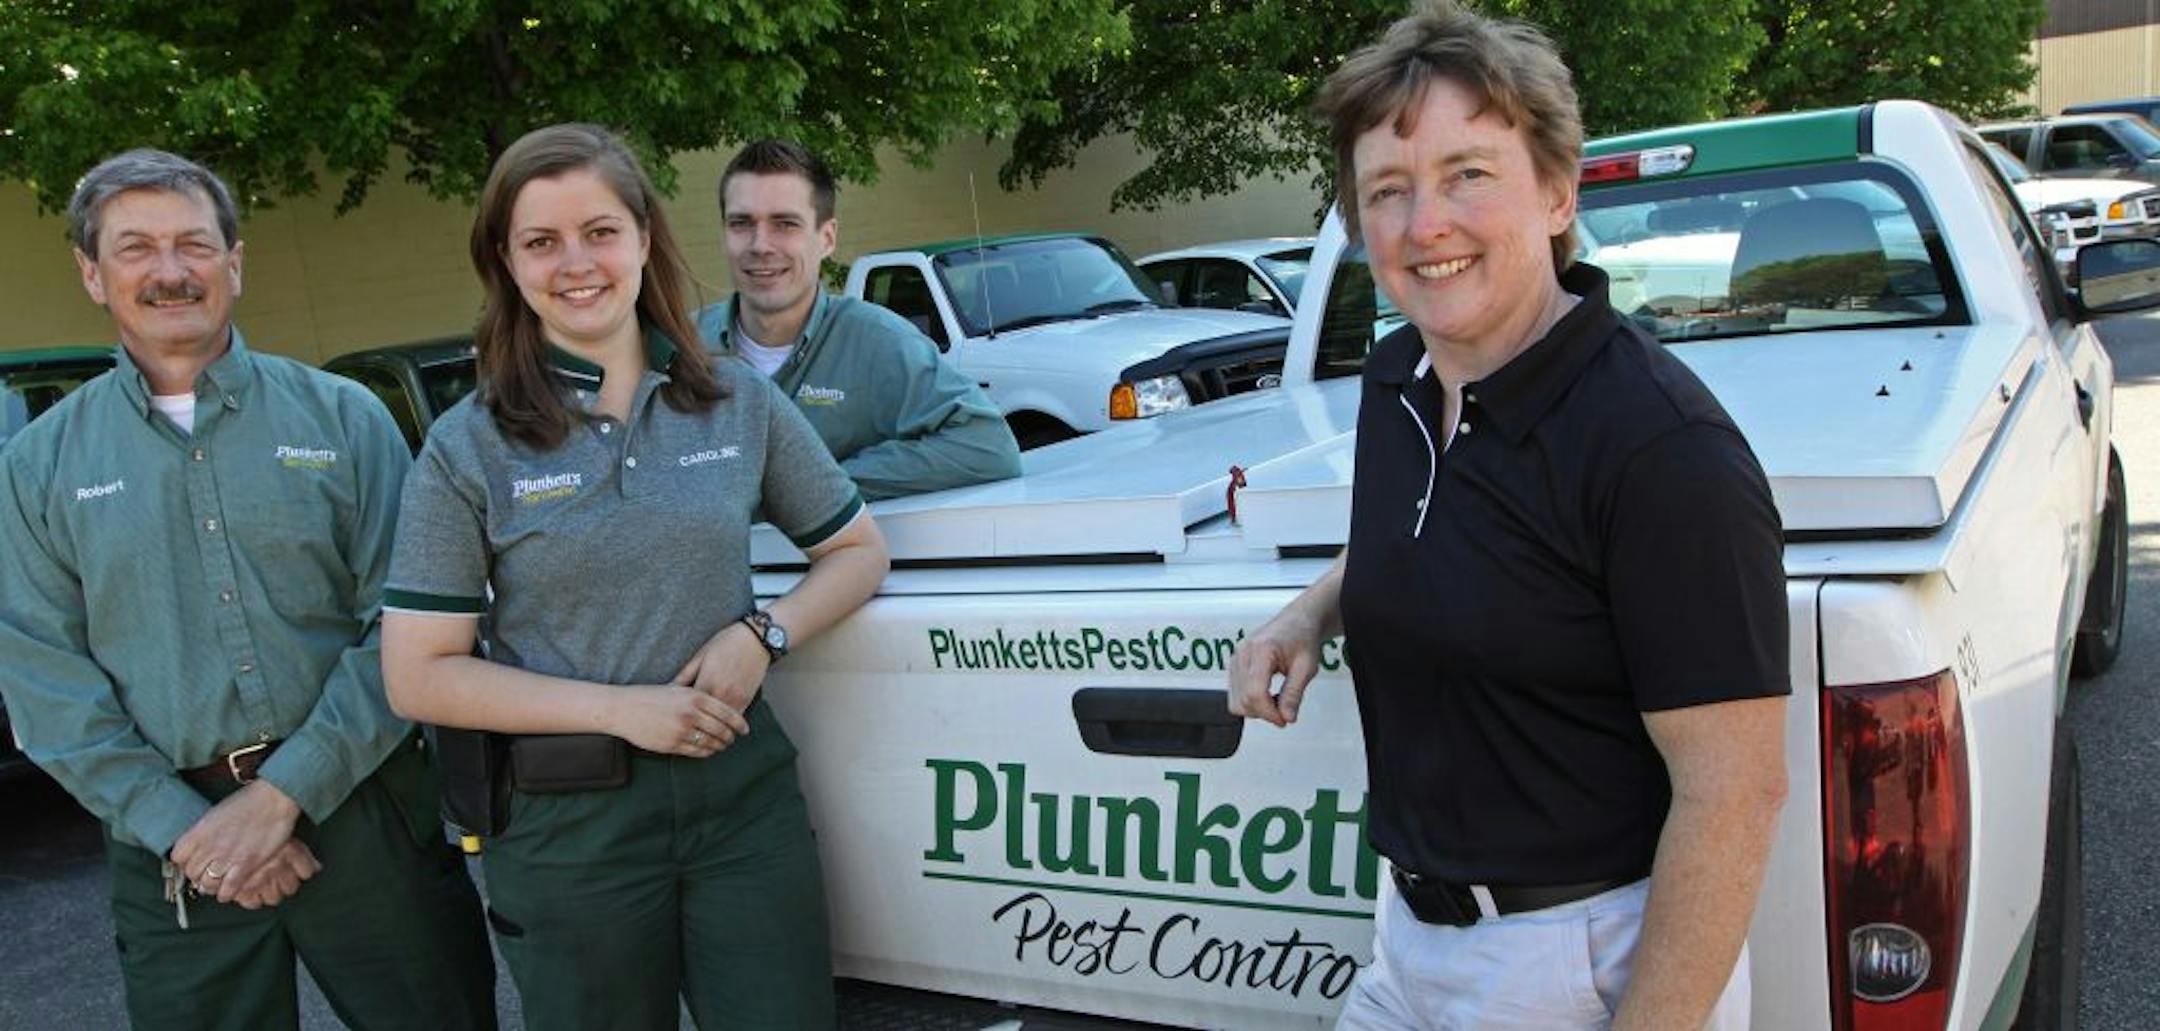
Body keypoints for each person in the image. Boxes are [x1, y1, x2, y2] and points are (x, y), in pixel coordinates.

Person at [1226, 4, 1791, 1029]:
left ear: (1559, 190)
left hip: (1580, 964)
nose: (1423, 224)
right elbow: (1440, 531)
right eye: (1387, 192)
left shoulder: (1660, 449)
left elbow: (1733, 795)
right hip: (1406, 939)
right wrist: (1310, 611)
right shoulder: (1399, 377)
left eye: (1467, 174)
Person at [380, 124, 889, 1031]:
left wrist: (762, 633)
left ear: (645, 238)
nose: (577, 263)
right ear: (506, 260)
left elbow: (857, 552)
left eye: (601, 231)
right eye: (541, 241)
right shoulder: (469, 444)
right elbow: (419, 672)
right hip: (570, 825)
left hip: (740, 800)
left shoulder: (737, 399)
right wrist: (621, 708)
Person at [0, 149, 495, 1030]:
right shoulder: (37, 467)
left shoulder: (345, 418)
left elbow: (407, 623)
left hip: (368, 814)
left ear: (235, 258)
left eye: (194, 243)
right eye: (135, 248)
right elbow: (45, 682)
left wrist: (281, 797)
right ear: (90, 272)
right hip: (172, 846)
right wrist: (191, 829)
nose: (169, 271)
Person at [694, 139, 1021, 499]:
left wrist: (814, 486)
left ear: (827, 238)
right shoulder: (679, 346)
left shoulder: (877, 342)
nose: (760, 245)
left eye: (785, 224)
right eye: (741, 223)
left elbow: (988, 447)